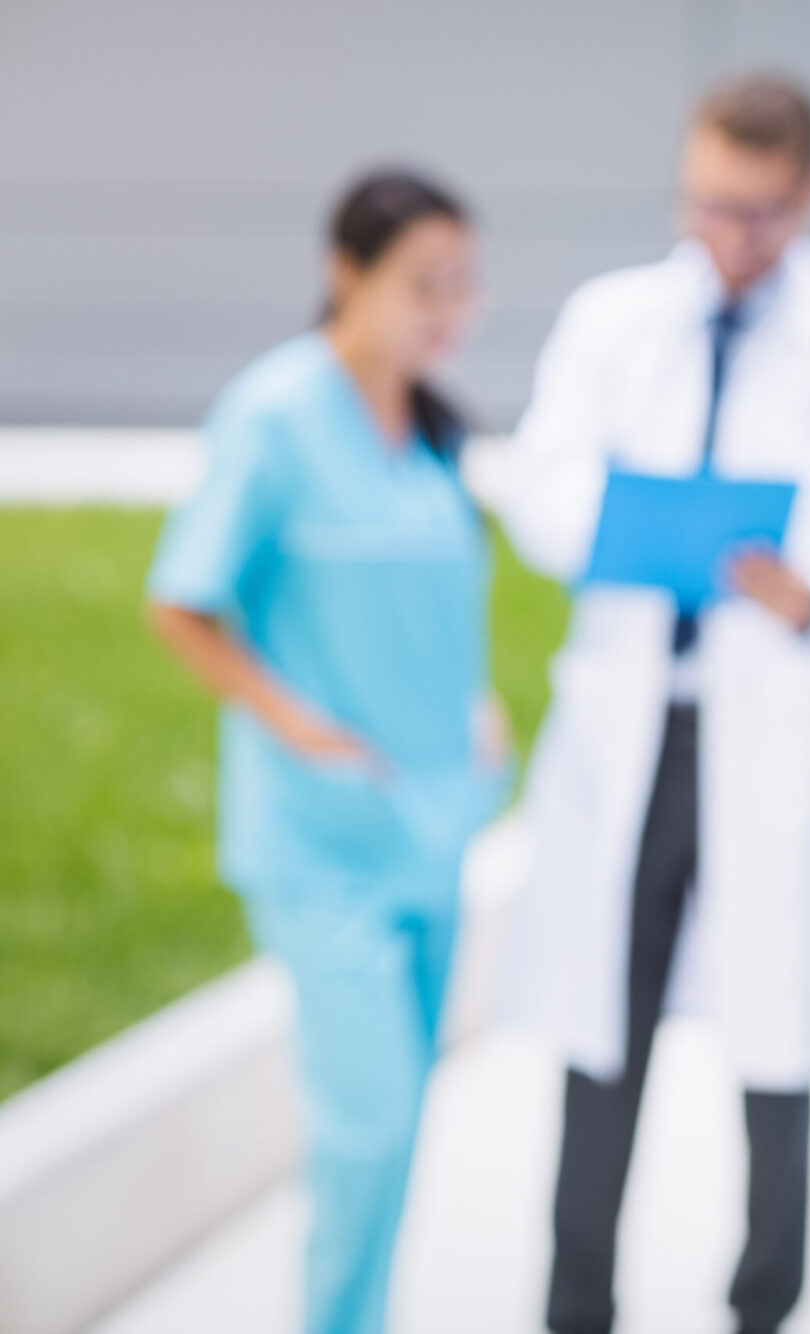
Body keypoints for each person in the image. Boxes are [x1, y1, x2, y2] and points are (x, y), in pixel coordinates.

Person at [496, 73, 810, 1334]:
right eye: (707, 204)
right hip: (630, 722)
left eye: (757, 211)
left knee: (775, 1034)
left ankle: (762, 1302)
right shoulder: (611, 317)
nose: (727, 234)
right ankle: (576, 1305)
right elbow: (539, 481)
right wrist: (613, 523)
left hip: (772, 722)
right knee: (602, 1031)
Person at [146, 169, 505, 1334]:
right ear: (345, 272)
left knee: (401, 1122)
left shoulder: (431, 432)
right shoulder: (274, 415)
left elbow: (424, 609)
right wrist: (297, 724)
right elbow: (182, 600)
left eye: (463, 283)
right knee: (370, 1118)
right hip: (322, 835)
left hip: (432, 824)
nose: (448, 309)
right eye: (423, 283)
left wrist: (475, 706)